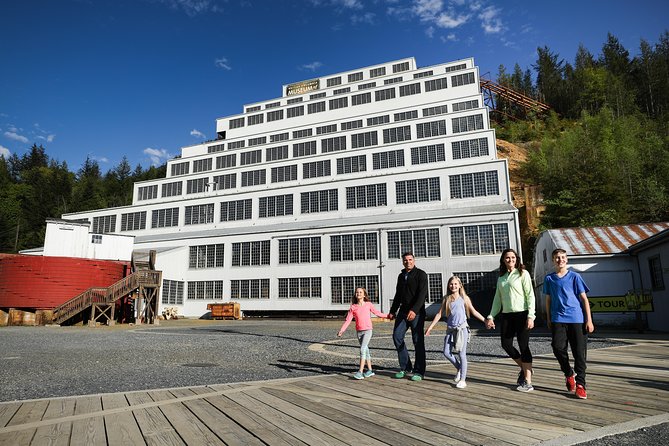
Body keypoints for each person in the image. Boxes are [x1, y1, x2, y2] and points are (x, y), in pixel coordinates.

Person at [543, 248, 594, 399]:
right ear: (553, 261)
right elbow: (548, 300)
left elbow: (584, 299)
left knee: (579, 353)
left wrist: (589, 320)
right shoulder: (549, 279)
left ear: (567, 259)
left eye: (563, 257)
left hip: (577, 319)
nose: (560, 260)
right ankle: (568, 373)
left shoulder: (575, 277)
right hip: (558, 319)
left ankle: (580, 385)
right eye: (557, 258)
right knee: (557, 348)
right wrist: (548, 318)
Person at [485, 248, 536, 392]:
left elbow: (530, 295)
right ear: (503, 260)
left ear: (517, 259)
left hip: (522, 314)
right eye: (507, 258)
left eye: (513, 257)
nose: (510, 260)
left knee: (523, 345)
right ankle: (526, 369)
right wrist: (491, 316)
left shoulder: (523, 274)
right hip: (507, 315)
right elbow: (497, 299)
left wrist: (531, 316)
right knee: (506, 344)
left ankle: (528, 381)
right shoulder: (501, 278)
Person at [426, 276, 486, 389]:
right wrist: (430, 327)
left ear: (460, 285)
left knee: (461, 354)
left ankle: (463, 379)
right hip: (450, 330)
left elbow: (473, 311)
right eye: (451, 284)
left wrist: (485, 320)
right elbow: (439, 314)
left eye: (455, 284)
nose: (453, 286)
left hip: (462, 329)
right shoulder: (446, 299)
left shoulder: (464, 298)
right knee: (446, 352)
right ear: (448, 286)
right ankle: (459, 368)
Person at [388, 252, 428, 381]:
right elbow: (398, 295)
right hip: (403, 313)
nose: (408, 262)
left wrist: (415, 310)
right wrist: (393, 311)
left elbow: (422, 295)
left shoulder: (421, 275)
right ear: (402, 262)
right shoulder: (401, 276)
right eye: (405, 260)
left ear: (414, 261)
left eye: (410, 260)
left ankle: (419, 371)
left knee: (418, 341)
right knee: (397, 337)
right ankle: (406, 367)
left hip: (417, 314)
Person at [337, 287, 390, 380]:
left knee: (362, 349)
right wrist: (342, 330)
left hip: (368, 330)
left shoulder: (368, 304)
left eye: (360, 292)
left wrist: (388, 316)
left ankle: (360, 372)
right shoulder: (353, 307)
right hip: (359, 331)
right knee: (366, 350)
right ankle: (370, 370)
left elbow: (377, 313)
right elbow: (348, 320)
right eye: (357, 292)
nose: (358, 293)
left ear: (364, 295)